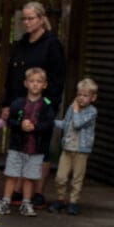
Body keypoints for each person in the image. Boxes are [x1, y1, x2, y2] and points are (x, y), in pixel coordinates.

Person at [3, 2, 65, 207]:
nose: (27, 22)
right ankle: (17, 190)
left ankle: (37, 192)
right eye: (24, 19)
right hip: (20, 104)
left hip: (41, 106)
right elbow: (11, 76)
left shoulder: (52, 45)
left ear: (41, 19)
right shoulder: (21, 44)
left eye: (31, 18)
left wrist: (48, 105)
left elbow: (57, 79)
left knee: (40, 148)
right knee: (19, 145)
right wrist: (7, 104)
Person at [0, 67, 55, 218]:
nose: (35, 84)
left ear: (45, 85)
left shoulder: (46, 105)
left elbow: (49, 124)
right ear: (26, 83)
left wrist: (36, 127)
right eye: (32, 81)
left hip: (36, 149)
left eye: (39, 81)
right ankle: (6, 201)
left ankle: (26, 203)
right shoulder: (18, 103)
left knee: (30, 177)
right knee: (11, 175)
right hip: (17, 147)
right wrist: (20, 125)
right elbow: (10, 121)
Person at [48, 78, 99, 215]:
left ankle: (73, 201)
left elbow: (77, 124)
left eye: (85, 95)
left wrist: (76, 110)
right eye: (79, 95)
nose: (81, 98)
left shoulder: (92, 112)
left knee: (77, 178)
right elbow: (66, 123)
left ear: (93, 98)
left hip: (81, 151)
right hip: (67, 148)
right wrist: (50, 122)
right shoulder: (72, 107)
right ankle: (60, 199)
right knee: (61, 176)